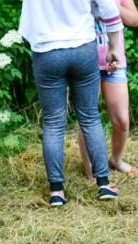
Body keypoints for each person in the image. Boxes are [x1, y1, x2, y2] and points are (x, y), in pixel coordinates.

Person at [19, 0, 123, 206]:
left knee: (53, 123)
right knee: (90, 117)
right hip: (83, 47)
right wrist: (113, 46)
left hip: (47, 51)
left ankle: (56, 191)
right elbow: (109, 8)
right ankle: (103, 184)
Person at [76, 0, 138, 180]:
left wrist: (111, 5)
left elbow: (135, 20)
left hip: (115, 62)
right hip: (85, 62)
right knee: (87, 119)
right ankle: (91, 169)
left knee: (122, 120)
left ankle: (116, 160)